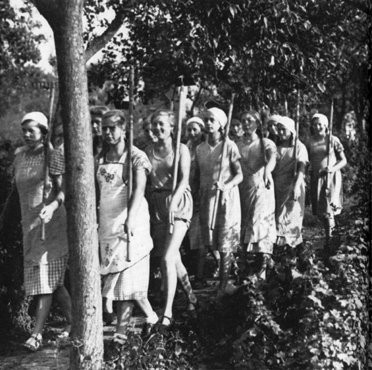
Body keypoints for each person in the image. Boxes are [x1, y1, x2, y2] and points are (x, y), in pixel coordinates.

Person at [96, 110, 158, 341]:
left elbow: (139, 188)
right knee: (115, 276)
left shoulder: (136, 156)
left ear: (123, 129)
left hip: (132, 223)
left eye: (112, 128)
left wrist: (130, 218)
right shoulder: (100, 156)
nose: (108, 133)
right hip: (107, 225)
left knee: (127, 280)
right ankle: (151, 317)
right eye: (104, 128)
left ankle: (120, 335)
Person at [12, 112, 71, 351]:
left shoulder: (53, 155)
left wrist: (53, 206)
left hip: (51, 224)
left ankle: (36, 334)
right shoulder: (19, 156)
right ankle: (75, 321)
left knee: (46, 280)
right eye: (24, 130)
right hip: (31, 227)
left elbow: (63, 191)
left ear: (44, 132)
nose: (27, 135)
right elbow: (15, 193)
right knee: (54, 284)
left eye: (32, 130)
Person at [145, 110, 197, 331]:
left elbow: (184, 179)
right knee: (173, 258)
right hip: (156, 206)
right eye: (155, 124)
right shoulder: (147, 151)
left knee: (167, 257)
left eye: (162, 125)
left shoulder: (181, 149)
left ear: (171, 128)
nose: (158, 128)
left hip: (178, 204)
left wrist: (173, 204)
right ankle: (192, 298)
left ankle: (167, 313)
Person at [195, 107, 243, 296]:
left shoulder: (229, 146)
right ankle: (229, 271)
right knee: (209, 241)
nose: (208, 123)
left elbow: (239, 175)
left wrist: (227, 184)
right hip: (206, 198)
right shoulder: (200, 148)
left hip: (226, 199)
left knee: (225, 242)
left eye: (211, 120)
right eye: (206, 120)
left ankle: (223, 284)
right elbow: (197, 176)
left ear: (221, 124)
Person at [238, 110, 277, 280]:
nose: (246, 123)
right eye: (244, 120)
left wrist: (268, 171)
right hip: (242, 189)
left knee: (260, 222)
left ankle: (263, 269)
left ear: (257, 123)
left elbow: (272, 158)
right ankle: (247, 269)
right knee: (246, 224)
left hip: (262, 187)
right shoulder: (237, 144)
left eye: (250, 120)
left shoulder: (265, 143)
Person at [307, 113, 347, 246]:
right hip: (316, 178)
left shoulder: (332, 140)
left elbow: (343, 161)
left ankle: (331, 240)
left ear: (325, 125)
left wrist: (332, 168)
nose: (317, 127)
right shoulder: (310, 141)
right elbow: (308, 160)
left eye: (320, 124)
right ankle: (329, 235)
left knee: (329, 210)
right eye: (315, 124)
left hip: (331, 178)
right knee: (321, 212)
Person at [273, 116, 308, 250]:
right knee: (279, 220)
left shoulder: (299, 147)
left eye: (283, 130)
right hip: (278, 187)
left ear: (291, 131)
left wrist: (297, 185)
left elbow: (302, 167)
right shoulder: (277, 147)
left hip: (293, 186)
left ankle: (293, 255)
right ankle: (285, 255)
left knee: (291, 220)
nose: (280, 133)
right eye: (279, 130)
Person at [185, 117, 206, 288]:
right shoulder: (185, 148)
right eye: (189, 130)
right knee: (187, 239)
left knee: (199, 238)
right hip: (186, 196)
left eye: (195, 129)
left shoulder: (203, 149)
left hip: (199, 196)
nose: (192, 133)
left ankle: (200, 276)